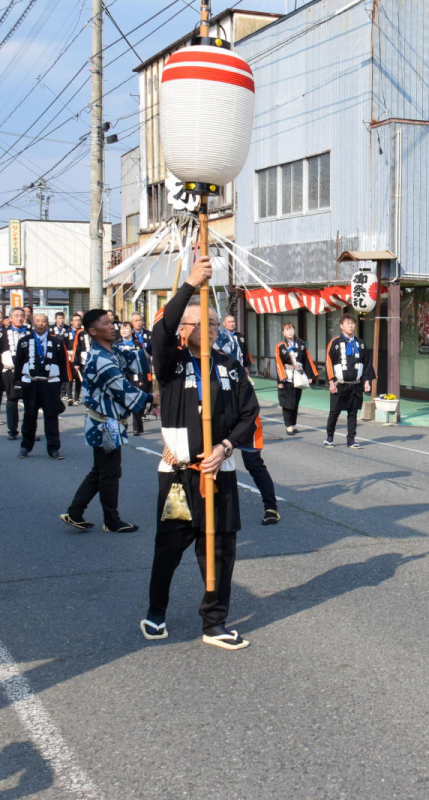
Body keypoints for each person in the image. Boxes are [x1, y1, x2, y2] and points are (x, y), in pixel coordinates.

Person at [141, 255, 259, 650]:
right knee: (170, 547)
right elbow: (161, 330)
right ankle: (156, 612)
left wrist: (225, 447)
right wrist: (191, 283)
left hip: (218, 472)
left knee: (221, 548)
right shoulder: (171, 363)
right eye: (196, 323)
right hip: (177, 475)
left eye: (210, 323)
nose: (206, 329)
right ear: (183, 329)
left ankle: (215, 622)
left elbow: (249, 414)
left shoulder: (229, 365)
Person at [62, 308, 154, 533]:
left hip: (106, 422)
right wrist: (153, 398)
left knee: (101, 471)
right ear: (93, 331)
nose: (112, 326)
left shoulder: (110, 350)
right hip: (104, 424)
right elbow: (123, 390)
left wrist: (160, 338)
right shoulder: (101, 359)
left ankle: (75, 512)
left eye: (112, 322)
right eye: (106, 323)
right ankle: (111, 521)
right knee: (110, 473)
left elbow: (136, 358)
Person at [213, 322, 279, 524]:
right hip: (221, 420)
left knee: (253, 464)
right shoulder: (203, 366)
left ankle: (271, 507)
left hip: (245, 419)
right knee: (214, 462)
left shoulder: (235, 368)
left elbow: (250, 408)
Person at [12, 312, 67, 459]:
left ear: (47, 323)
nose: (40, 324)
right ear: (33, 323)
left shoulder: (57, 341)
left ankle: (54, 448)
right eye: (37, 321)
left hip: (50, 384)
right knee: (29, 416)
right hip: (31, 384)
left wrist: (62, 384)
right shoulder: (24, 341)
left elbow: (63, 363)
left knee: (51, 416)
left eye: (43, 321)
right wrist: (17, 383)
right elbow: (18, 363)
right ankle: (25, 447)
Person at [324, 314, 374, 448]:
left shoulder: (361, 343)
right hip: (339, 384)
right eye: (348, 323)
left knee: (353, 413)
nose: (351, 326)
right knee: (334, 412)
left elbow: (367, 363)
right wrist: (331, 382)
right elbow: (329, 362)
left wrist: (367, 381)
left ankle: (351, 439)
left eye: (352, 323)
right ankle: (329, 437)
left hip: (356, 384)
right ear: (341, 326)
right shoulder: (335, 342)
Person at [274, 322, 317, 434]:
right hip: (287, 376)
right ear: (283, 332)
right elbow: (278, 363)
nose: (290, 331)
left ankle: (293, 424)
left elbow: (306, 359)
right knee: (288, 402)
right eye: (287, 330)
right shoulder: (280, 346)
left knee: (296, 400)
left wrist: (309, 375)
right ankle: (288, 425)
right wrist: (280, 380)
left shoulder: (300, 343)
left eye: (292, 329)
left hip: (299, 375)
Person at [0, 307, 32, 440]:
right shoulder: (3, 333)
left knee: (30, 401)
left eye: (21, 316)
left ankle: (29, 430)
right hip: (10, 370)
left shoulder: (30, 332)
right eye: (16, 315)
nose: (19, 318)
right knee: (12, 399)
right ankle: (12, 430)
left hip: (28, 371)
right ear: (10, 318)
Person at [115, 320, 152, 435]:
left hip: (135, 376)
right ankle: (122, 423)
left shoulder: (137, 344)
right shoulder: (116, 344)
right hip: (121, 376)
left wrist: (141, 379)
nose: (124, 330)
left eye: (126, 328)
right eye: (122, 328)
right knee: (122, 401)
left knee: (137, 401)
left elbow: (143, 362)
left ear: (132, 330)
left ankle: (137, 427)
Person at [63, 312, 84, 405]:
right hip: (69, 357)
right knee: (69, 377)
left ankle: (77, 397)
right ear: (71, 322)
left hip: (80, 357)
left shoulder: (83, 332)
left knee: (79, 378)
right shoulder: (67, 333)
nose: (78, 322)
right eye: (75, 320)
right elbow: (63, 345)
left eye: (79, 320)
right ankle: (69, 397)